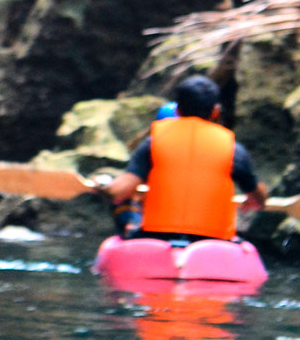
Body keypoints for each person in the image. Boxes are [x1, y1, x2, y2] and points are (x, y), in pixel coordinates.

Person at [103, 75, 268, 240]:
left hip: (158, 238)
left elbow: (119, 192)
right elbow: (258, 201)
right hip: (212, 243)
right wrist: (254, 197)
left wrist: (103, 187)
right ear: (215, 111)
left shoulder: (153, 142)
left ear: (178, 110)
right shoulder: (233, 149)